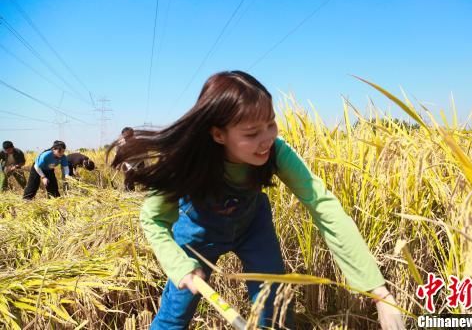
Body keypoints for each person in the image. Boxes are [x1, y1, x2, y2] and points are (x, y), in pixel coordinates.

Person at [110, 71, 404, 330]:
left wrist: (379, 292)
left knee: (274, 308)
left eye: (271, 125)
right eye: (251, 133)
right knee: (176, 314)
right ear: (218, 134)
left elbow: (322, 205)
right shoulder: (186, 161)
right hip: (198, 234)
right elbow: (153, 218)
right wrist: (178, 265)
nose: (266, 139)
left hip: (252, 227)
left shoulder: (276, 152)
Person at [112, 127, 144, 191]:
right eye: (125, 137)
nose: (127, 139)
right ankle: (129, 191)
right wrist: (118, 164)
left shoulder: (138, 142)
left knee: (140, 179)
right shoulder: (120, 143)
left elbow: (144, 154)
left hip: (138, 162)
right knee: (128, 182)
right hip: (127, 163)